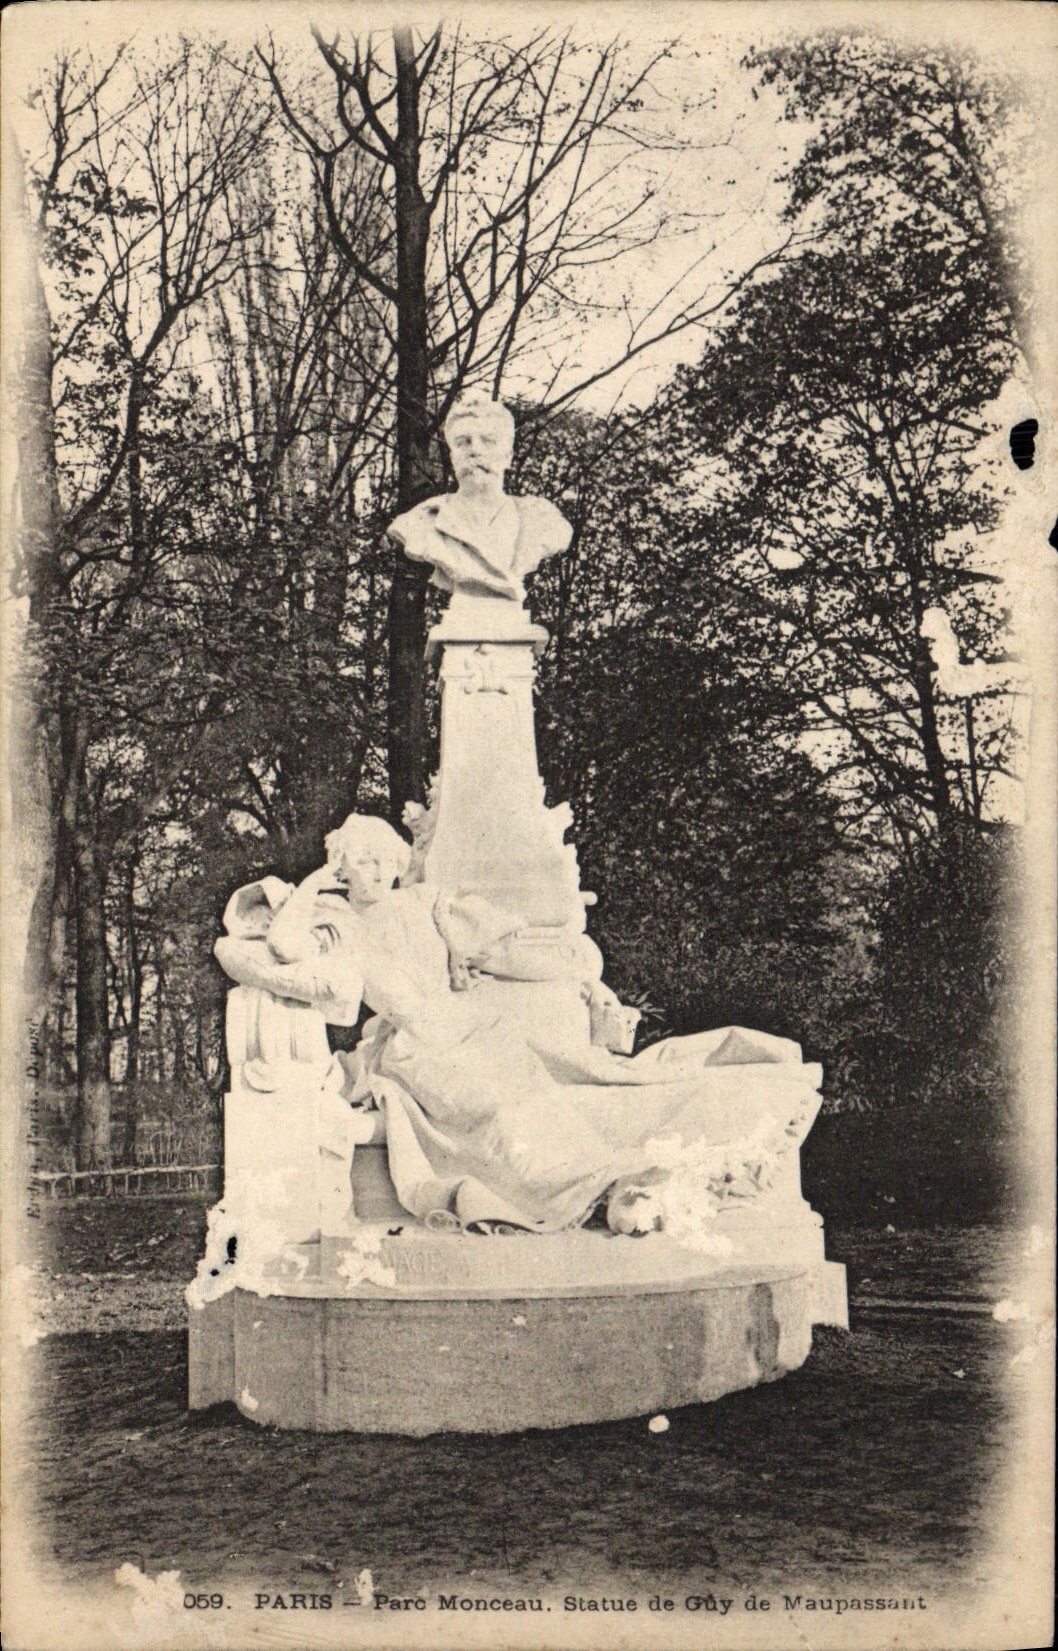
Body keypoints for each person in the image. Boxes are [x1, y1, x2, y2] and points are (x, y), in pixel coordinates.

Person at [215, 816, 823, 1238]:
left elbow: (506, 953)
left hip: (475, 1027)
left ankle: (613, 1180)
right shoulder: (334, 918)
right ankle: (586, 1191)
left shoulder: (426, 903)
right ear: (342, 865)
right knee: (498, 1113)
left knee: (564, 1093)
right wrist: (314, 883)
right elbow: (285, 947)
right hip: (416, 1049)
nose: (374, 871)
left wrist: (586, 978)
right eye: (360, 861)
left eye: (382, 859)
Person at [388, 395, 571, 604]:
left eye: (488, 441)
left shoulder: (541, 520)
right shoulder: (421, 522)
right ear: (453, 456)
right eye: (463, 442)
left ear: (508, 456)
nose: (475, 450)